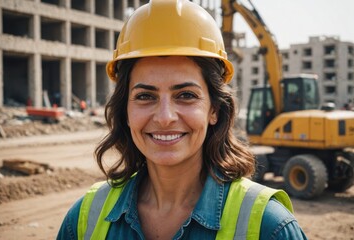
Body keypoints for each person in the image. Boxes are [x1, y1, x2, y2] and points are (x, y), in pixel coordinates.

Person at [57, 0, 307, 239]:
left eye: (186, 95)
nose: (165, 118)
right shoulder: (84, 219)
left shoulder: (270, 226)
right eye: (145, 96)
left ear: (214, 110)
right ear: (126, 111)